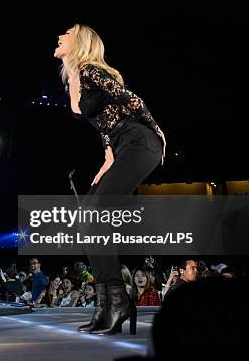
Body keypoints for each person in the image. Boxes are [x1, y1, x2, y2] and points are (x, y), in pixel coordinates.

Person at [54, 24, 165, 335]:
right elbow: (103, 122)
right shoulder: (73, 81)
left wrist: (157, 131)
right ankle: (107, 305)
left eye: (67, 32)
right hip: (121, 146)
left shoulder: (90, 70)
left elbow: (130, 100)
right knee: (86, 218)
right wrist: (107, 156)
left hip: (140, 141)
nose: (60, 34)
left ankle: (116, 302)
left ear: (80, 42)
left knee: (96, 212)